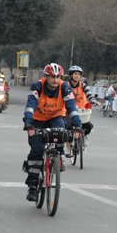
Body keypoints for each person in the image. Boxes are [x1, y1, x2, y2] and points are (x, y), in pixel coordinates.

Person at [22, 63, 82, 202]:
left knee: (62, 133)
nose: (55, 80)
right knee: (37, 150)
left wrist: (77, 125)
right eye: (52, 77)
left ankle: (57, 156)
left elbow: (72, 108)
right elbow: (30, 105)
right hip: (37, 119)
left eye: (58, 77)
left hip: (56, 117)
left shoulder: (65, 88)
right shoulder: (37, 86)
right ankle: (32, 186)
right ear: (46, 77)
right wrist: (28, 123)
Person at [66, 65, 101, 152]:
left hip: (82, 109)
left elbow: (89, 95)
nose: (77, 76)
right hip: (69, 109)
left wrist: (95, 102)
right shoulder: (65, 86)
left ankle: (84, 137)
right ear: (71, 75)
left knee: (88, 126)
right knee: (68, 128)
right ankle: (67, 147)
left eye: (79, 74)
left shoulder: (83, 85)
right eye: (75, 74)